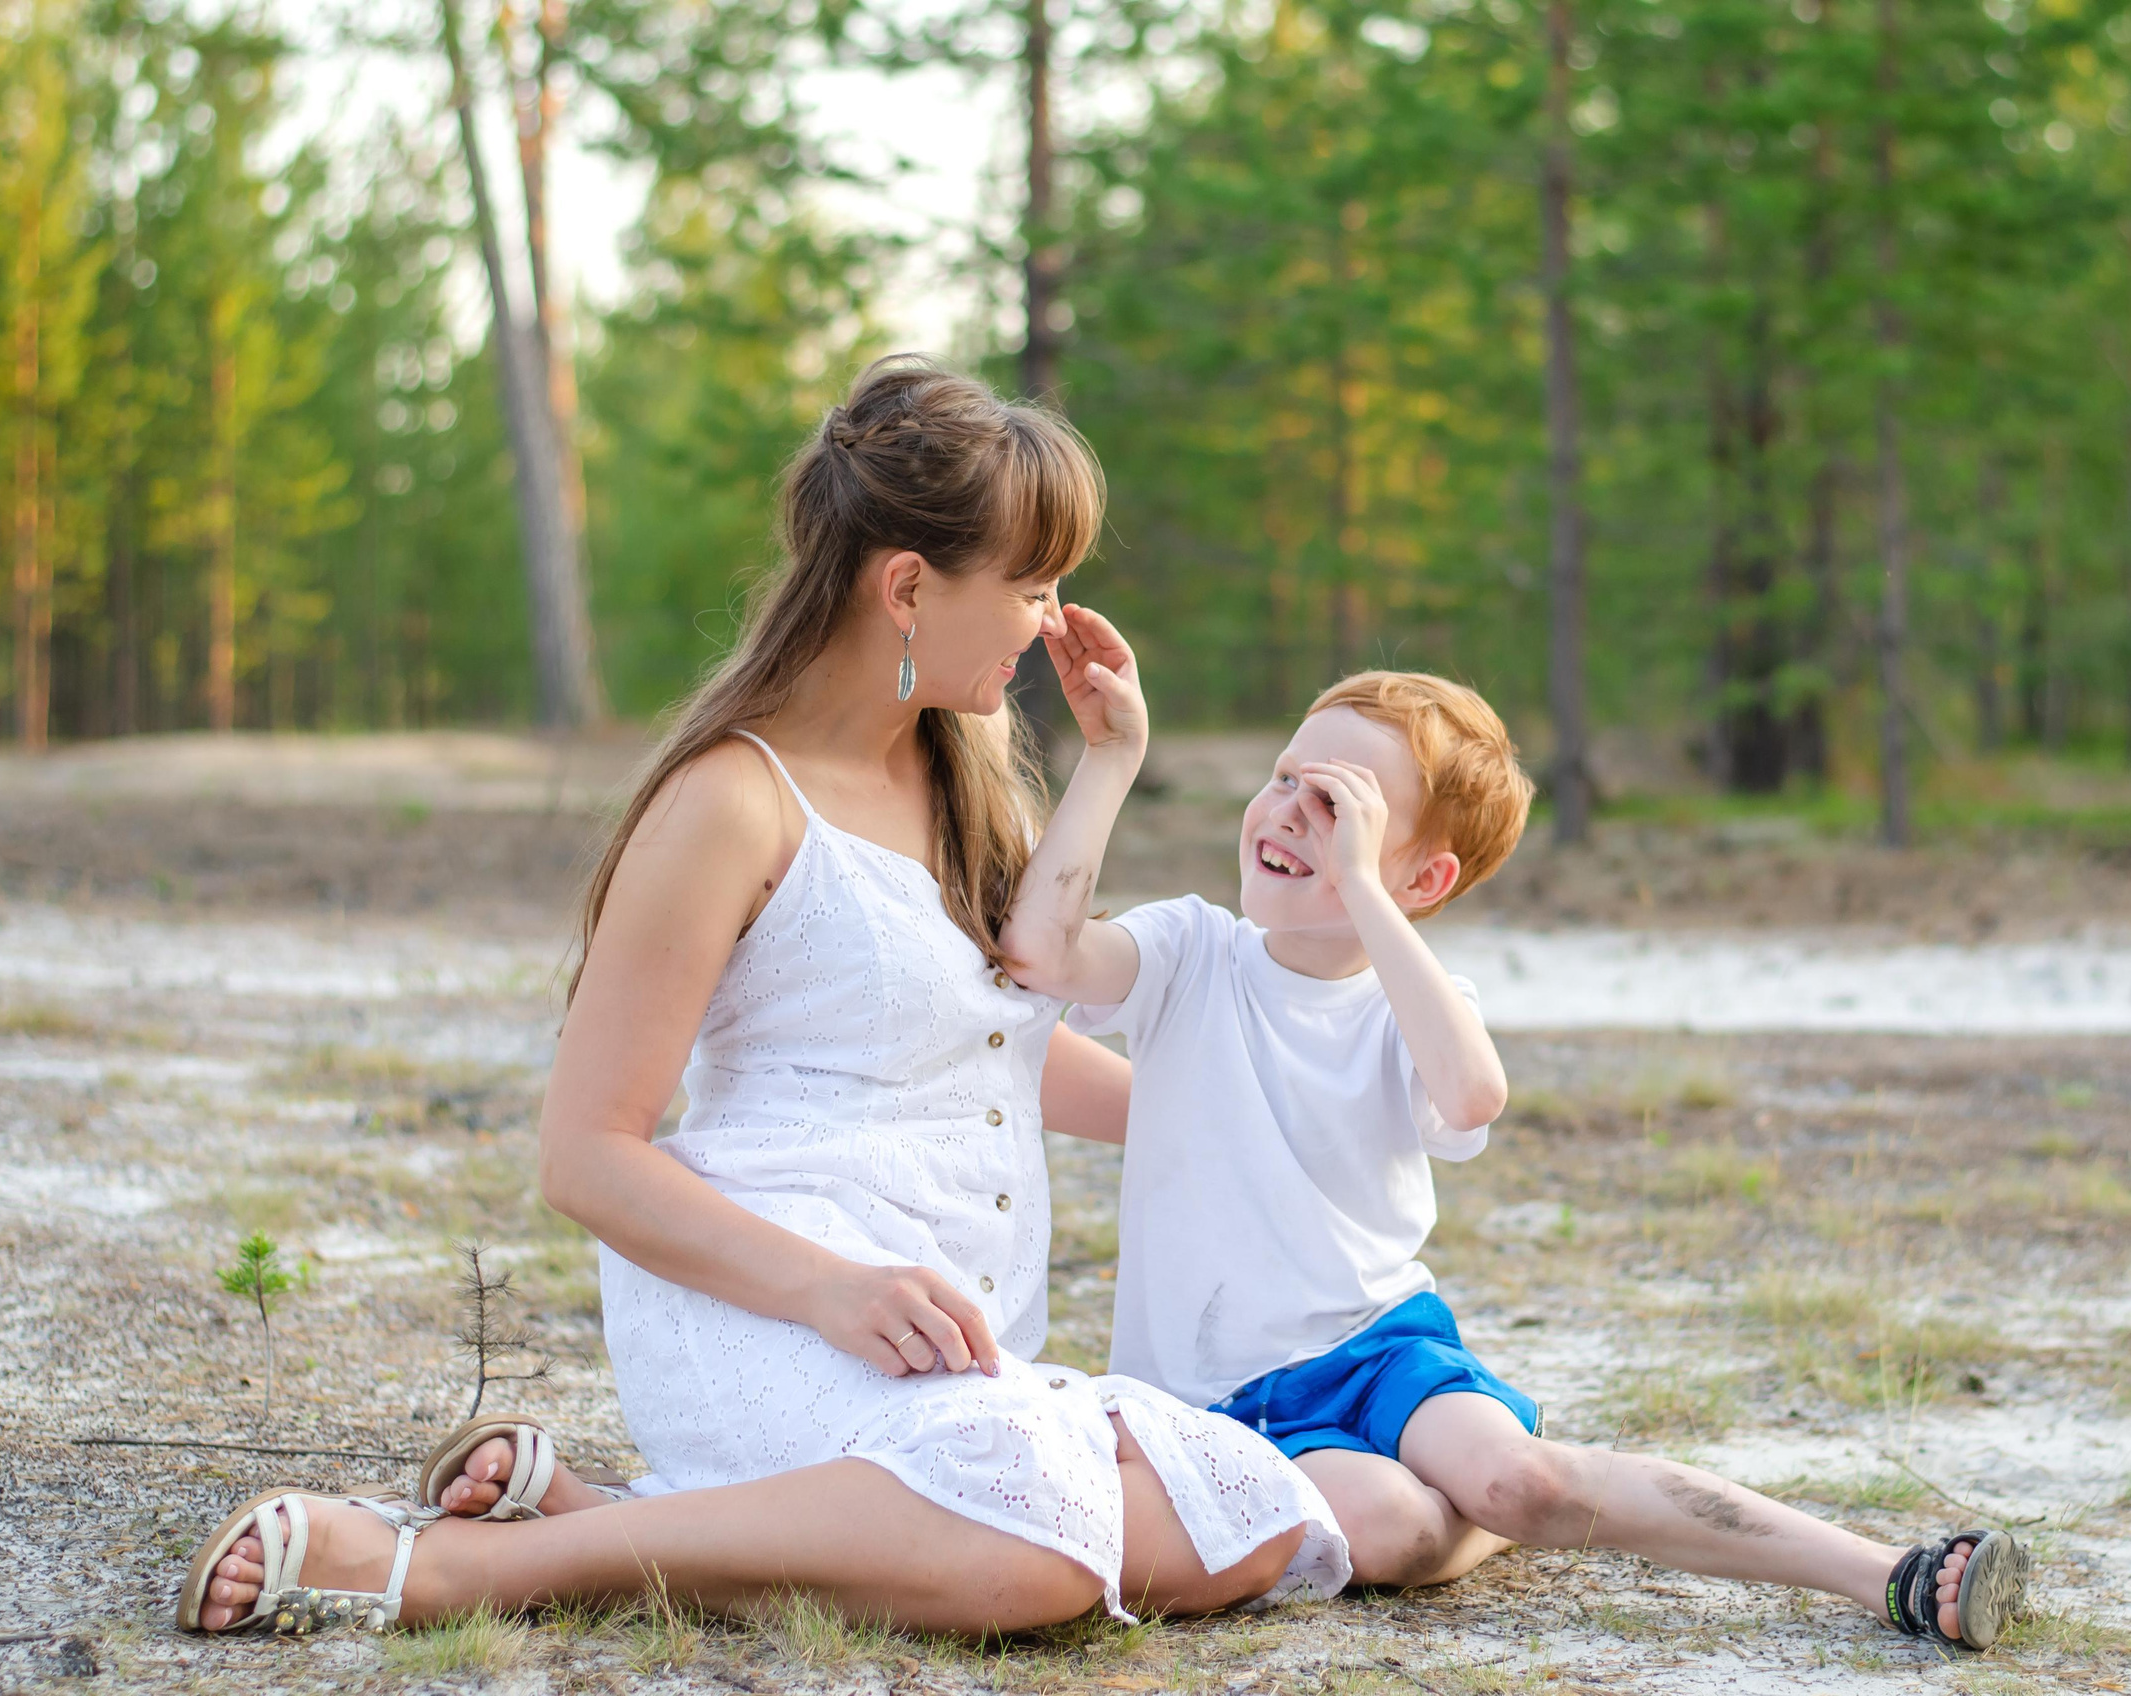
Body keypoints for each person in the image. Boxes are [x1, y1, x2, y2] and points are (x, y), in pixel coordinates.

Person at [176, 357, 1346, 1640]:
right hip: (769, 1306)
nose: (1050, 622)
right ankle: (446, 1569)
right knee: (1045, 1548)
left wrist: (1231, 1117)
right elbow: (587, 1156)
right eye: (1030, 585)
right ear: (906, 586)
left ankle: (602, 1514)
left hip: (932, 1343)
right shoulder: (729, 804)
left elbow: (998, 1052)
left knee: (1253, 1511)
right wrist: (830, 1292)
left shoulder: (972, 791)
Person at [997, 660, 2033, 1653]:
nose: (1288, 815)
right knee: (1395, 1529)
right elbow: (1041, 952)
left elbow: (1470, 1095)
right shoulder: (1190, 951)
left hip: (1374, 1348)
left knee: (1523, 1483)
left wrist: (1361, 890)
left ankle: (1885, 1569)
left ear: (1423, 875)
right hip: (1207, 1401)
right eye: (1284, 781)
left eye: (1340, 808)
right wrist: (1114, 754)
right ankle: (1489, 1487)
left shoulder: (1415, 1003)